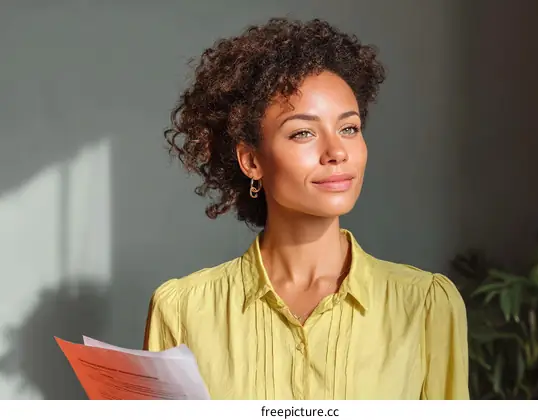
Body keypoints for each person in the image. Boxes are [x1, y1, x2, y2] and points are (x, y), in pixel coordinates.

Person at [143, 17, 469, 400]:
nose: (336, 152)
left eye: (349, 128)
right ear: (251, 161)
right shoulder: (181, 310)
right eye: (303, 133)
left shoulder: (426, 304)